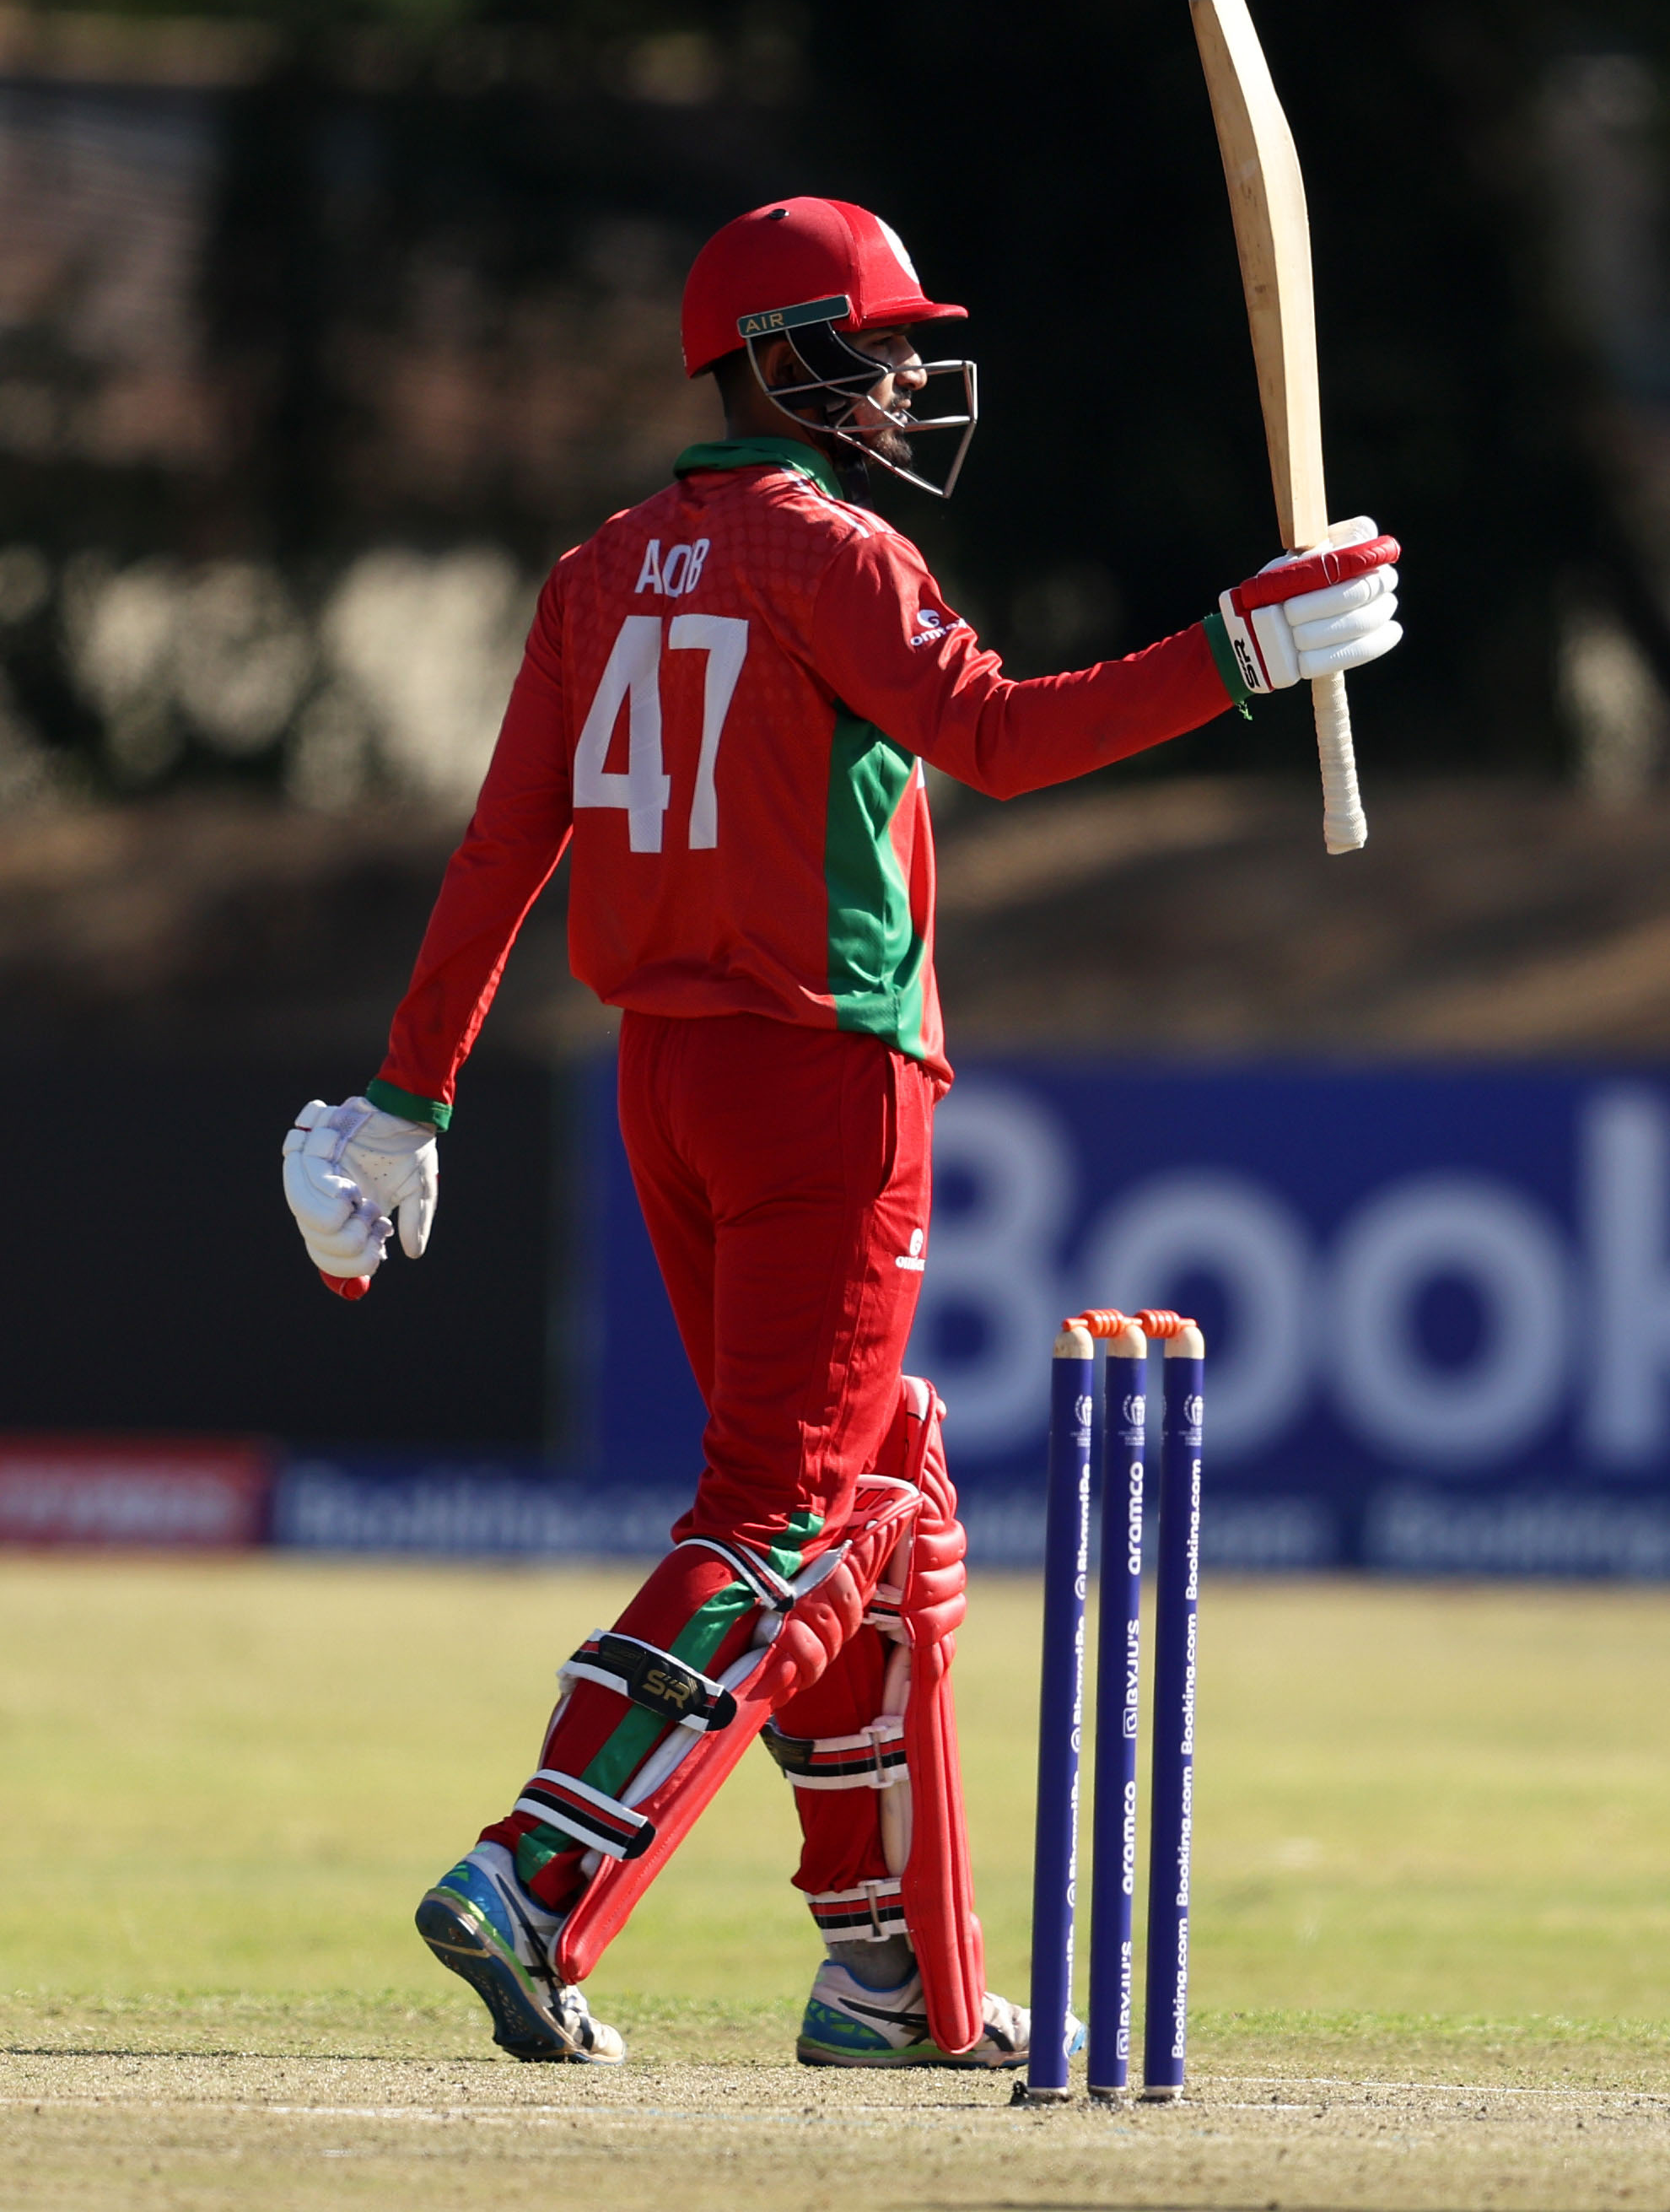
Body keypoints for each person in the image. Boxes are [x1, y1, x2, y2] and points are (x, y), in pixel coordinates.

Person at [281, 196, 1402, 2073]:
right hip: (826, 1076)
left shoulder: (597, 567)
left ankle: (892, 1975)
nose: (900, 384)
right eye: (875, 350)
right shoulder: (831, 554)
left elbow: (501, 853)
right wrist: (1242, 649)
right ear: (783, 359)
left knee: (899, 1494)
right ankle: (541, 1870)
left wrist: (410, 1095)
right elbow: (1004, 739)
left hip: (667, 1082)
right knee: (788, 1516)